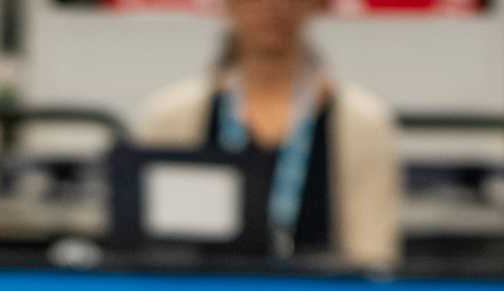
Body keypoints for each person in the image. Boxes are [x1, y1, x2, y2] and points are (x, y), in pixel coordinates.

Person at [135, 0, 403, 269]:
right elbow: (155, 251)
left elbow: (373, 257)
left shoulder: (363, 123)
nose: (273, 7)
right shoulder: (170, 119)